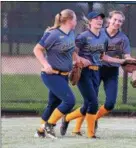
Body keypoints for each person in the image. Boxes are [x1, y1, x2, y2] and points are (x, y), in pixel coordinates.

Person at [59, 11, 132, 139]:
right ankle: (77, 129)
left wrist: (132, 65)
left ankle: (89, 118)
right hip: (95, 69)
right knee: (90, 102)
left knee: (109, 104)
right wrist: (78, 61)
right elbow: (74, 49)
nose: (117, 22)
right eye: (115, 19)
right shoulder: (98, 31)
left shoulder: (122, 38)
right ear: (109, 20)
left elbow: (126, 57)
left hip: (111, 71)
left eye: (120, 21)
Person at [33, 9, 90, 139]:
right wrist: (46, 64)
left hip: (64, 75)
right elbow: (37, 49)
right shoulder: (53, 34)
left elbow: (71, 50)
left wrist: (78, 60)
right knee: (69, 101)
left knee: (53, 104)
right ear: (69, 20)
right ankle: (50, 125)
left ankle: (40, 131)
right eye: (75, 19)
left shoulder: (70, 33)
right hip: (51, 75)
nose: (76, 22)